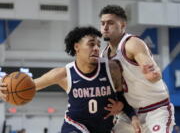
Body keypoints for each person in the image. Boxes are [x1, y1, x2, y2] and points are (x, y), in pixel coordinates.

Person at [0, 26, 141, 133]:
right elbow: (30, 86)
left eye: (98, 44)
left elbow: (124, 97)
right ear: (76, 47)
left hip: (104, 128)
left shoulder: (112, 68)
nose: (97, 48)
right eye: (91, 44)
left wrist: (127, 112)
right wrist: (5, 91)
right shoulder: (63, 73)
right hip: (75, 125)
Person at [99, 5, 175, 133]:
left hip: (156, 110)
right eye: (103, 23)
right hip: (130, 113)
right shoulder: (104, 56)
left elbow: (154, 72)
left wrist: (153, 73)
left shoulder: (132, 44)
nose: (105, 27)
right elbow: (117, 90)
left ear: (123, 25)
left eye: (111, 23)